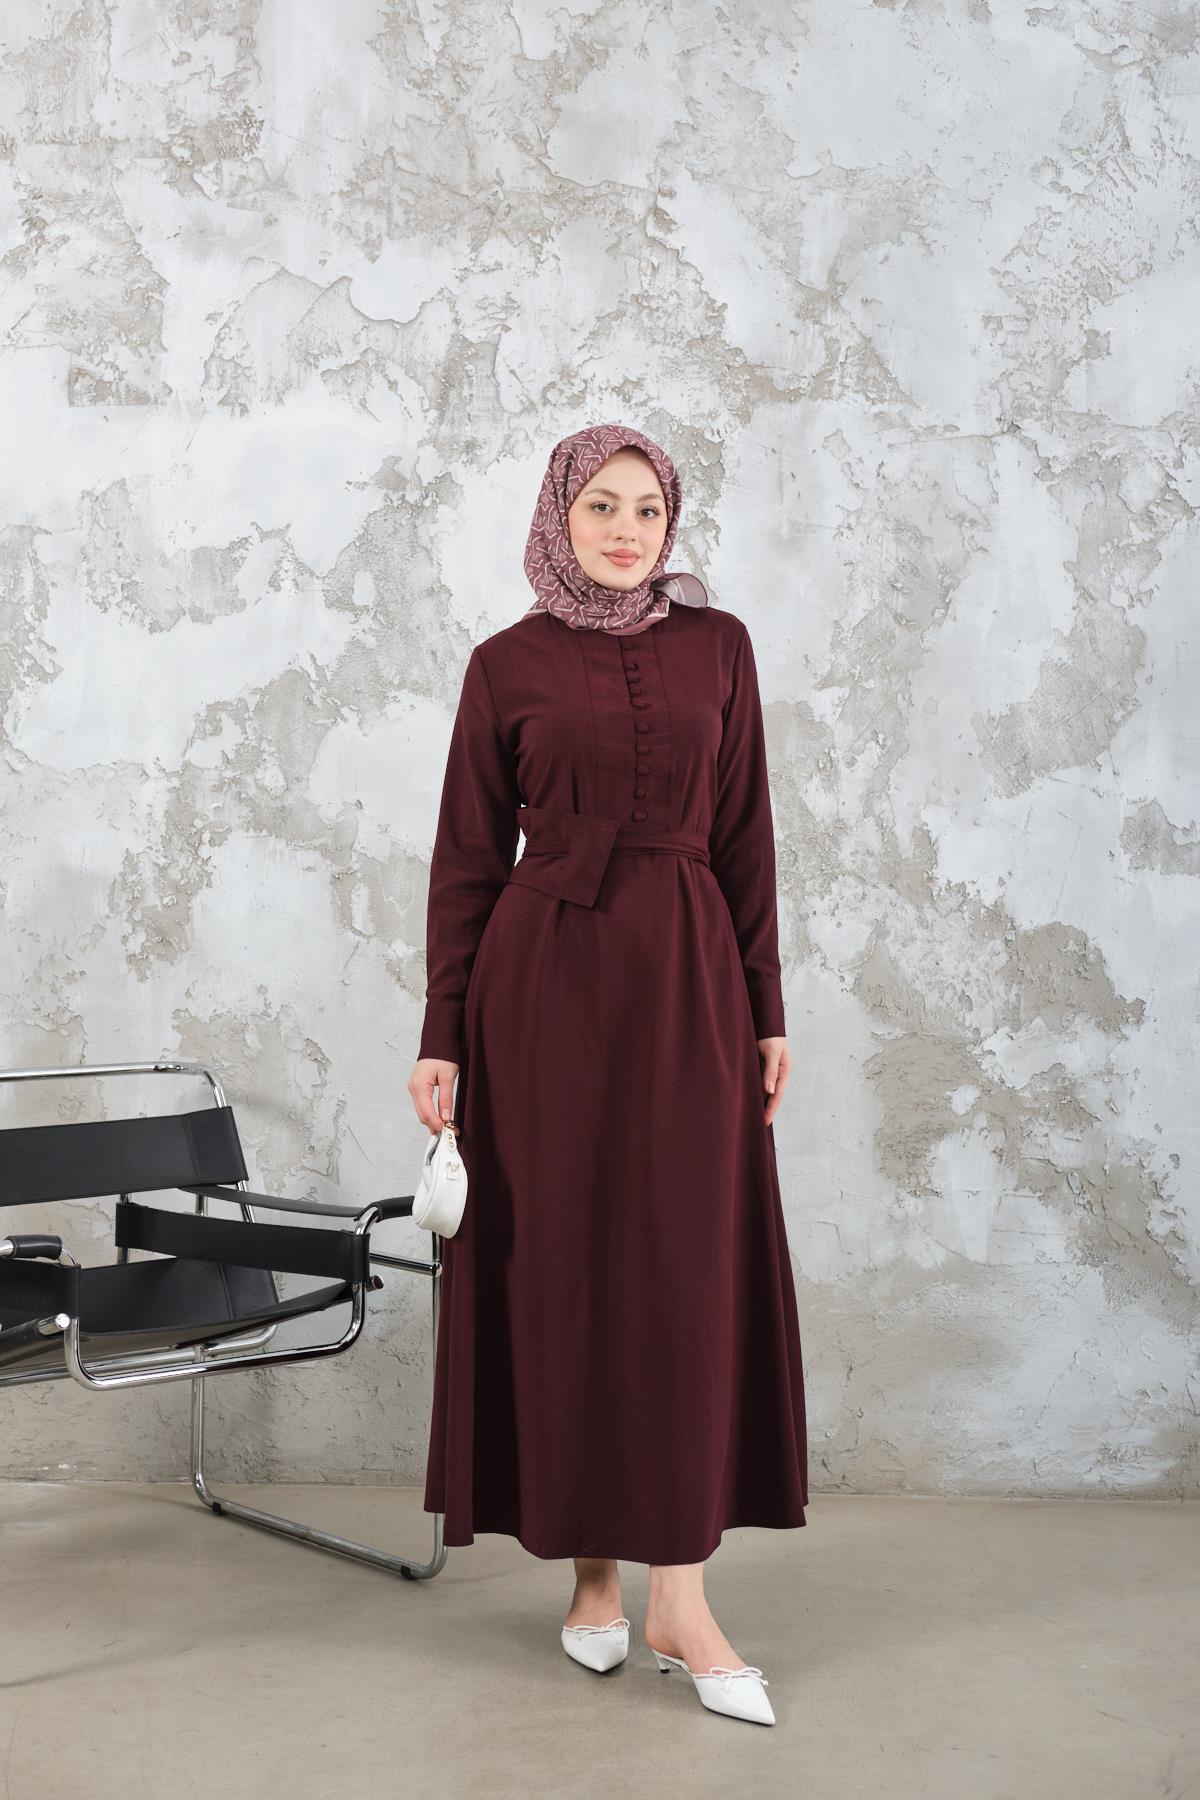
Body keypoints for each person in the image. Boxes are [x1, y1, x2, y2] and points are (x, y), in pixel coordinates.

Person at [407, 423, 808, 1726]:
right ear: (558, 518)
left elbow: (745, 835)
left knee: (682, 1271)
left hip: (689, 984)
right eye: (601, 507)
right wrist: (443, 1033)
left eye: (647, 509)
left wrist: (767, 1008)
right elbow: (470, 858)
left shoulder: (720, 647)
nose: (627, 531)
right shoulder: (504, 665)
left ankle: (679, 1597)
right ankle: (592, 1577)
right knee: (567, 1268)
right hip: (540, 997)